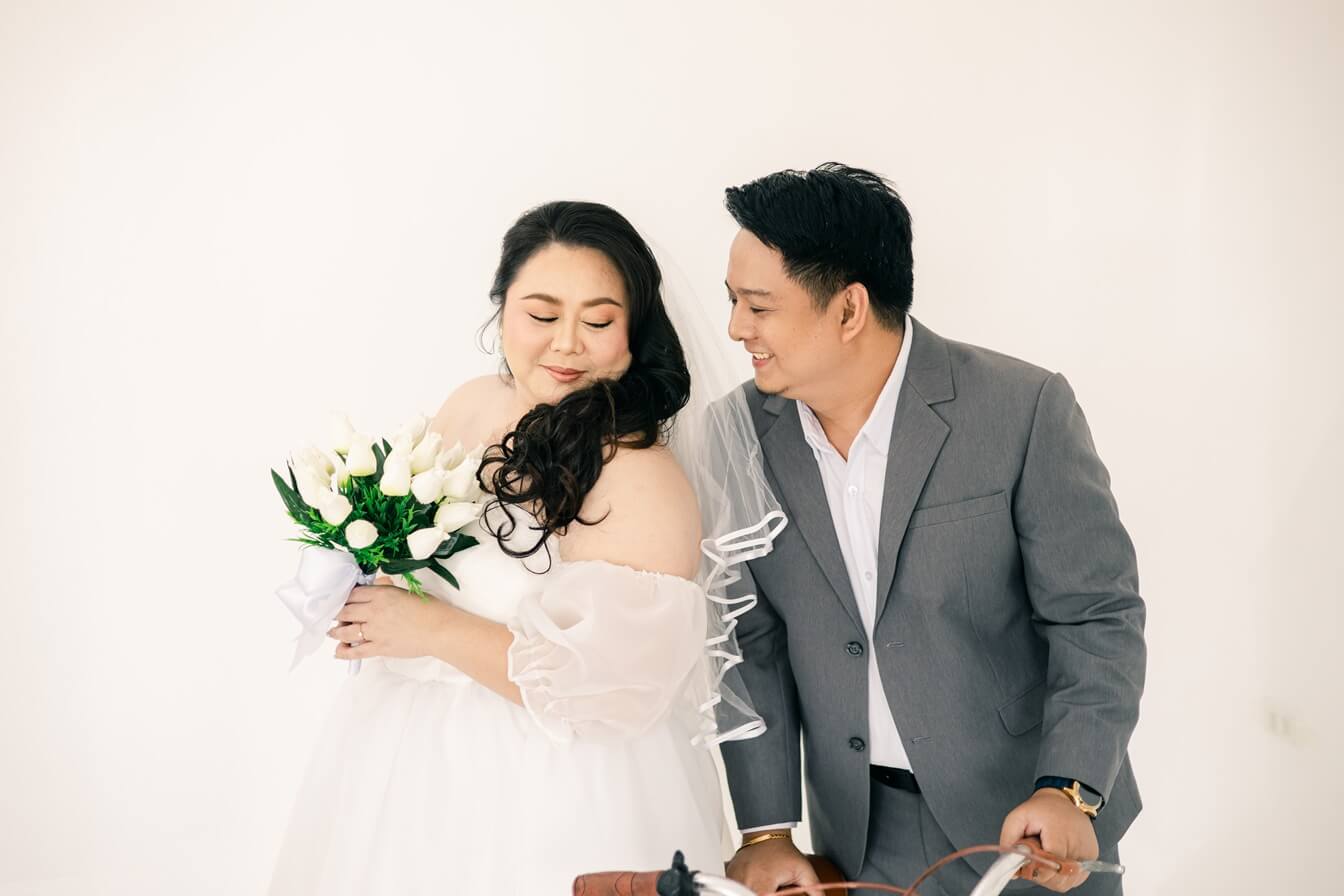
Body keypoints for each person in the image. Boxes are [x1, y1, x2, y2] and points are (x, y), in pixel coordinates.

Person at [270, 201, 727, 895]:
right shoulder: (474, 403)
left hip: (556, 786)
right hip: (409, 762)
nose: (566, 344)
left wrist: (429, 628)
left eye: (598, 322)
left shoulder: (640, 477)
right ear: (502, 310)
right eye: (541, 315)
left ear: (634, 332)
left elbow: (611, 688)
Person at [715, 164, 1146, 895]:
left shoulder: (1022, 408)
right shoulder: (735, 435)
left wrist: (1069, 789)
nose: (735, 328)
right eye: (732, 301)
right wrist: (766, 831)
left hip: (1030, 830)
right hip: (857, 840)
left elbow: (1096, 616)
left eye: (759, 306)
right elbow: (749, 643)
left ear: (849, 310)